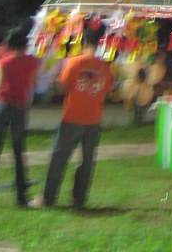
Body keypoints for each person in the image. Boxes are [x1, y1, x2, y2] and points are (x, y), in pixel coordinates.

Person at [31, 20, 114, 210]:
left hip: (72, 117)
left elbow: (62, 86)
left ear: (83, 43)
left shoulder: (74, 62)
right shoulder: (104, 67)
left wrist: (53, 81)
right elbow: (108, 88)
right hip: (94, 119)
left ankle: (48, 198)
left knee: (59, 158)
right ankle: (79, 199)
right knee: (86, 161)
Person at [0, 25, 40, 205]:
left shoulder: (4, 62)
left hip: (1, 105)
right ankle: (21, 196)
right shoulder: (33, 62)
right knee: (18, 152)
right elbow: (34, 85)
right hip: (19, 108)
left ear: (10, 44)